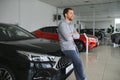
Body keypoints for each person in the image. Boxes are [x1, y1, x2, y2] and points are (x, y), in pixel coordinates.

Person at [57, 8, 86, 80]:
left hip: (73, 47)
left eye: (73, 13)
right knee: (79, 64)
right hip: (67, 49)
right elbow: (67, 38)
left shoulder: (71, 25)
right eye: (71, 13)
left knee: (76, 65)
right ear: (66, 15)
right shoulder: (62, 24)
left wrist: (71, 34)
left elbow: (78, 36)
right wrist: (73, 34)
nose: (73, 15)